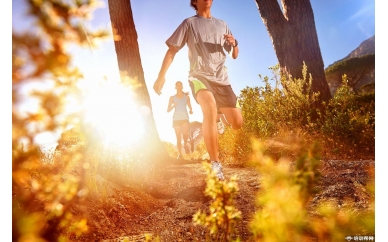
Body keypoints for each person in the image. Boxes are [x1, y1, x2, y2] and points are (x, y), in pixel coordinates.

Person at [153, 0, 243, 180]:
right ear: (194, 1)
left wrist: (234, 44)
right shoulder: (189, 23)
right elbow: (172, 51)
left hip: (222, 80)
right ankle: (215, 165)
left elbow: (234, 55)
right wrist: (161, 75)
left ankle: (219, 117)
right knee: (208, 107)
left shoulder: (222, 24)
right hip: (199, 76)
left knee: (237, 123)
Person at [167, 81, 193, 159]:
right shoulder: (172, 98)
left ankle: (185, 143)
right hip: (176, 119)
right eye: (177, 85)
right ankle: (180, 154)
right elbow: (168, 110)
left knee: (185, 133)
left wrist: (191, 110)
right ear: (175, 87)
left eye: (180, 85)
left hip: (185, 117)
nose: (179, 86)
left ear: (182, 87)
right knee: (178, 137)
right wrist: (173, 105)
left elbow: (189, 105)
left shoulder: (186, 97)